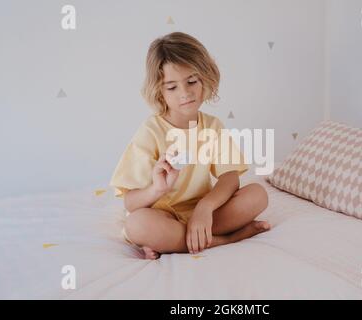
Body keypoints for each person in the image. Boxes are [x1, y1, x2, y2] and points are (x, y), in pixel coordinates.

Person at [109, 32, 270, 259]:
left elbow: (230, 177)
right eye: (172, 87)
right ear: (159, 92)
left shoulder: (212, 126)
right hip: (163, 217)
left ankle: (180, 239)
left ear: (205, 77)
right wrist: (158, 189)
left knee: (258, 195)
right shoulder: (150, 131)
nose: (185, 93)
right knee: (137, 225)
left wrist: (205, 208)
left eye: (191, 81)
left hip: (207, 213)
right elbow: (130, 202)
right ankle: (225, 239)